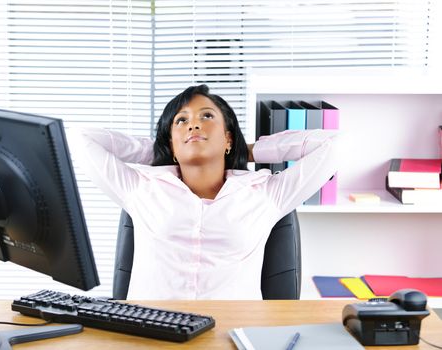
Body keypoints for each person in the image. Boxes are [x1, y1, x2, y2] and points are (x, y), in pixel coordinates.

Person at [71, 84, 340, 300]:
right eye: (181, 121)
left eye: (207, 116)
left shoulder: (267, 194)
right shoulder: (139, 189)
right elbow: (80, 138)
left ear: (228, 137)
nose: (193, 125)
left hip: (231, 334)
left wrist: (250, 150)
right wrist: (164, 150)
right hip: (152, 333)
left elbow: (335, 144)